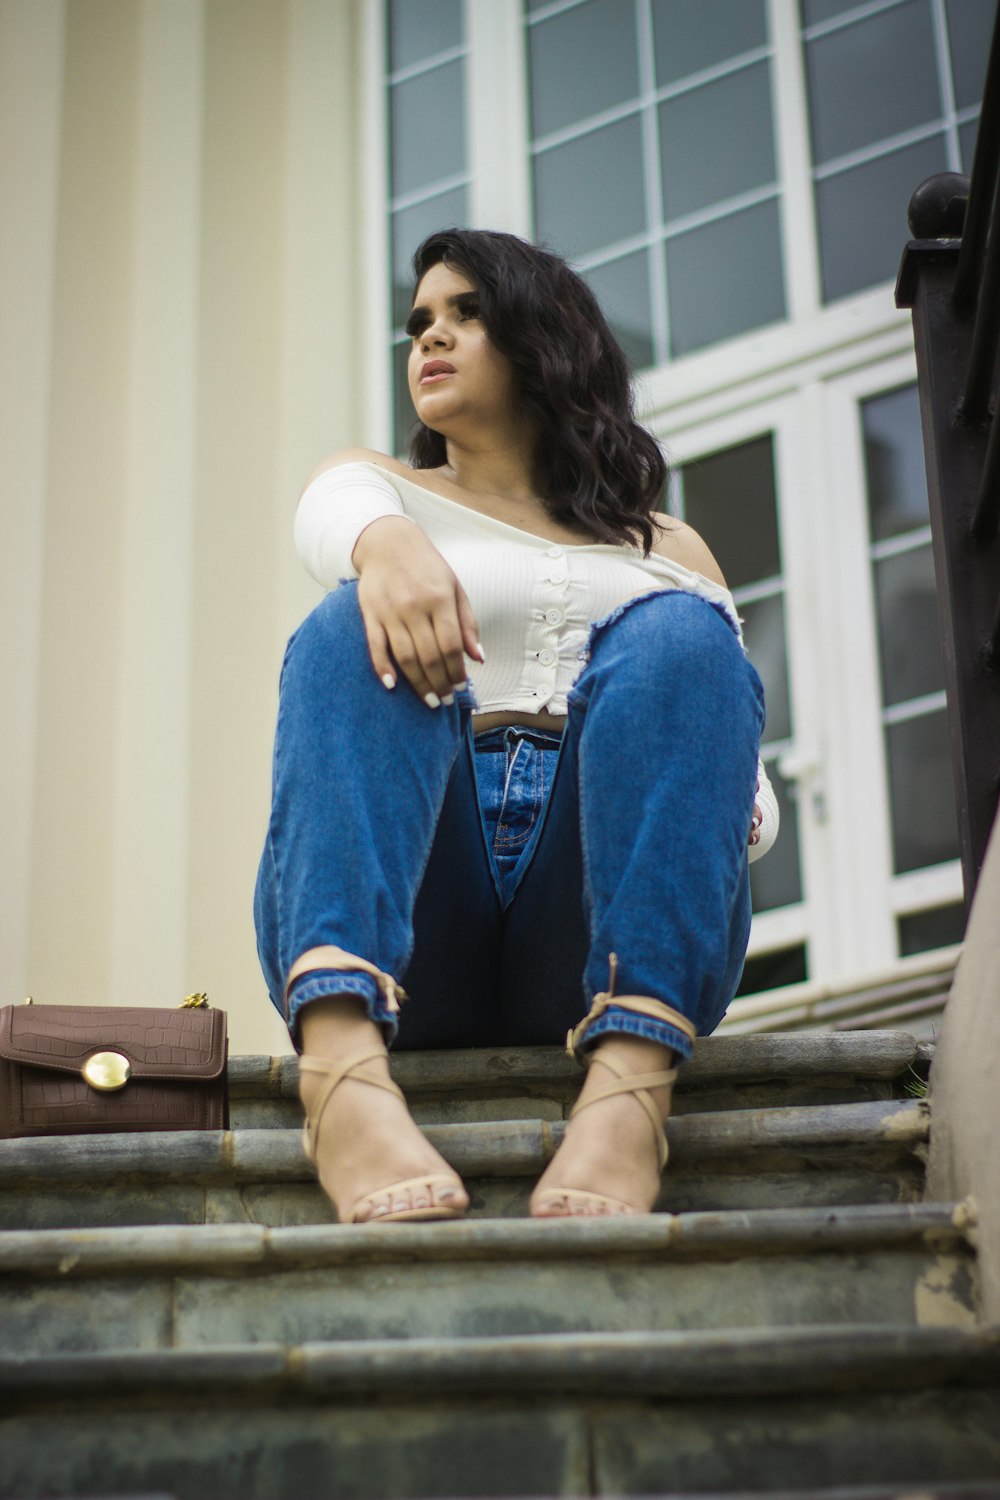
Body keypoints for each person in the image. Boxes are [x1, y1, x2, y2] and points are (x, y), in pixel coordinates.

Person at [254, 228, 777, 1228]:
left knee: (681, 633)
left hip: (585, 914)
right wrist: (393, 545)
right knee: (341, 623)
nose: (428, 338)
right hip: (414, 901)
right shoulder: (379, 493)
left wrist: (690, 786)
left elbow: (739, 792)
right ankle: (340, 1073)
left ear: (544, 334)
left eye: (464, 312)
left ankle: (629, 1093)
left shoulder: (665, 546)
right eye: (416, 324)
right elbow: (331, 510)